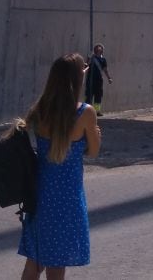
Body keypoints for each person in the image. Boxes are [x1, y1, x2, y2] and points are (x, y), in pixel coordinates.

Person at [18, 53, 101, 280]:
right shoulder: (85, 113)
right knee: (57, 267)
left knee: (34, 261)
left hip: (40, 194)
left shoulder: (40, 109)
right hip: (67, 198)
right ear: (77, 79)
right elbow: (93, 152)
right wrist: (94, 136)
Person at [84, 44, 112, 116]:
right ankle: (87, 111)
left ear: (102, 50)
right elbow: (86, 65)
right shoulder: (91, 58)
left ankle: (97, 111)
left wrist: (109, 78)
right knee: (89, 95)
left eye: (100, 49)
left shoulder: (103, 59)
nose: (98, 50)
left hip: (99, 80)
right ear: (95, 50)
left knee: (98, 95)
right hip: (90, 80)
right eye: (97, 48)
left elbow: (105, 70)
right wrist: (89, 58)